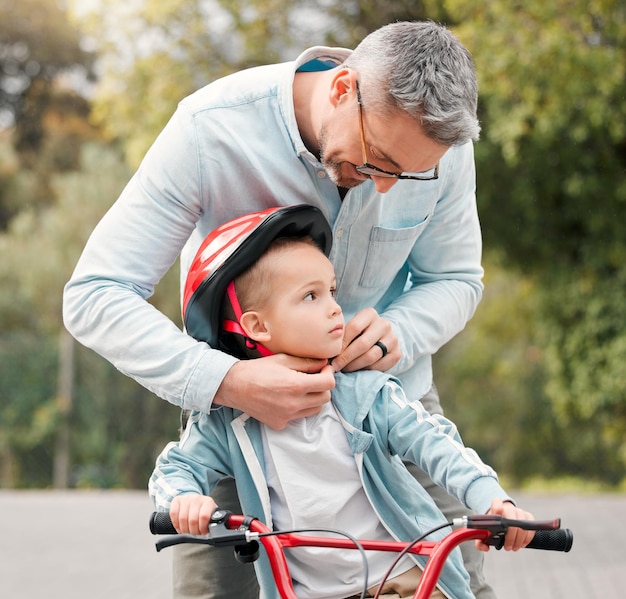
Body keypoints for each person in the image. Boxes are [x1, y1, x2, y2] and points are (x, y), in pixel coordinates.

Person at [63, 20, 488, 599]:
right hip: (240, 421)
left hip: (392, 412)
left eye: (408, 173)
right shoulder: (209, 129)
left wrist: (401, 333)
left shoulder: (440, 151)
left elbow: (456, 278)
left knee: (462, 585)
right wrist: (230, 379)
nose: (387, 187)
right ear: (342, 89)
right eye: (379, 160)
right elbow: (95, 293)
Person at [150, 205, 534, 599]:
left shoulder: (368, 396)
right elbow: (177, 467)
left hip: (404, 578)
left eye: (331, 290)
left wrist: (492, 498)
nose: (335, 306)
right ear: (257, 326)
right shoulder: (228, 422)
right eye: (311, 296)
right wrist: (185, 500)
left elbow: (438, 446)